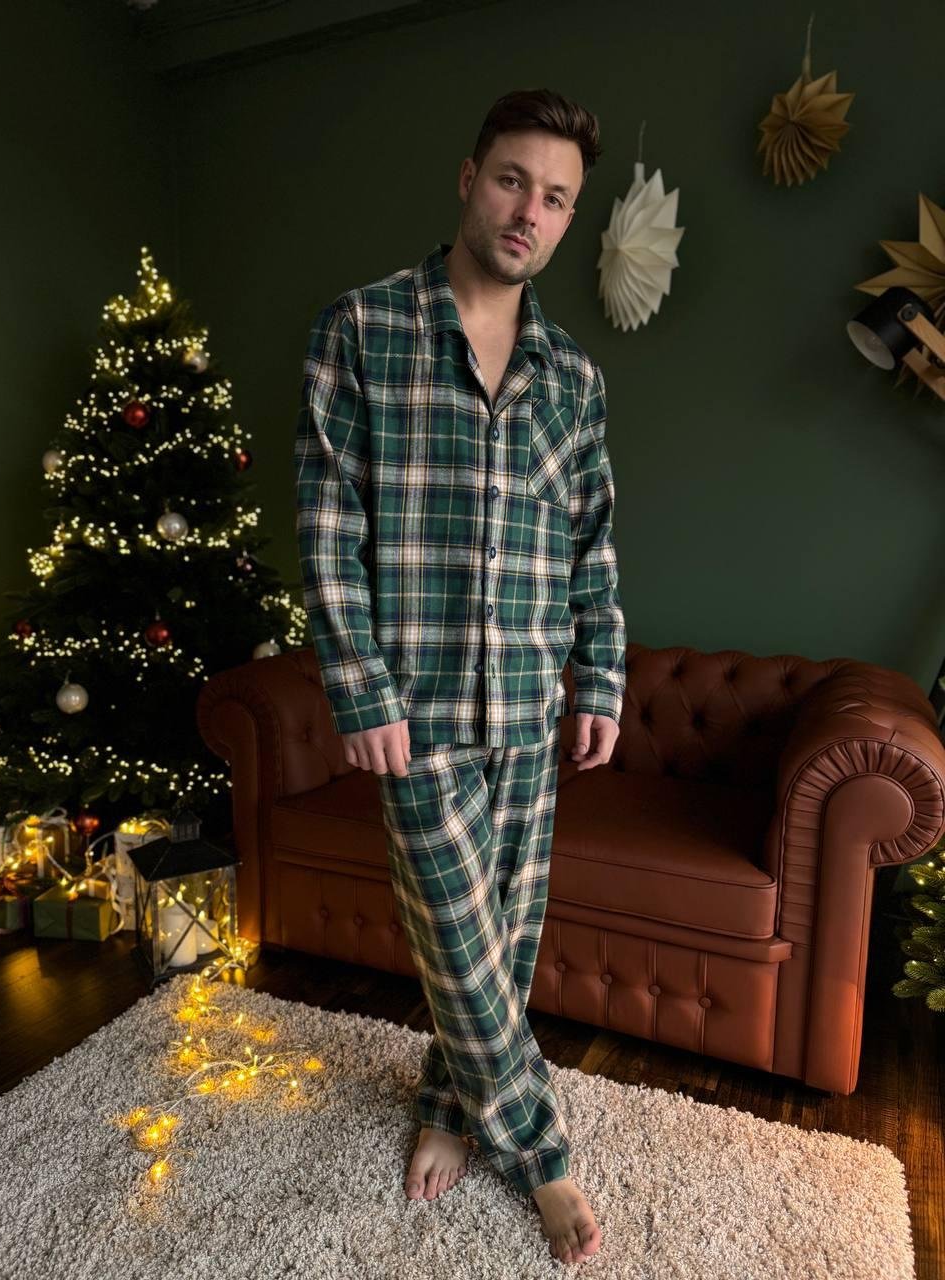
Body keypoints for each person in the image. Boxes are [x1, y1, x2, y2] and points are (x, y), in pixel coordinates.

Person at [295, 86, 626, 1267]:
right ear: (469, 177)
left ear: (569, 218)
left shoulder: (573, 378)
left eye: (557, 198)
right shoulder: (361, 329)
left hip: (530, 704)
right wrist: (360, 687)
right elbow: (329, 526)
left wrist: (601, 677)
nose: (529, 211)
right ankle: (543, 1153)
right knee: (460, 937)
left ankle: (448, 1103)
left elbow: (591, 540)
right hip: (420, 709)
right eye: (512, 180)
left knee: (497, 943)